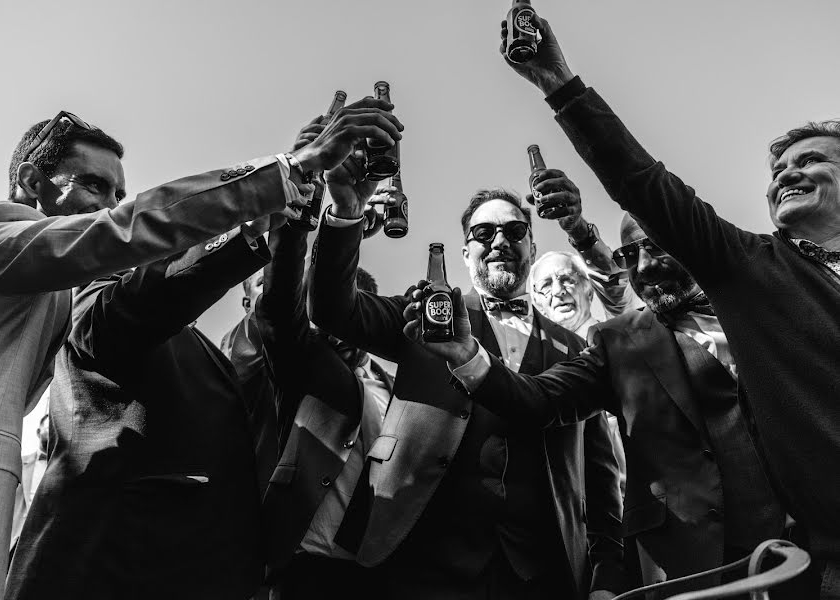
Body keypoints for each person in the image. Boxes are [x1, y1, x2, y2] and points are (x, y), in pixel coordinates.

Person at [0, 104, 351, 599]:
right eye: (94, 186)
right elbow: (123, 245)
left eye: (119, 194)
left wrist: (293, 210)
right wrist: (282, 174)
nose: (111, 204)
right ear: (32, 182)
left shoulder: (60, 302)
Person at [498, 12, 840, 596]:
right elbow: (645, 186)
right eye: (779, 167)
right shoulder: (756, 268)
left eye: (810, 161)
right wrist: (557, 80)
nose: (787, 173)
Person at [405, 211, 792, 596]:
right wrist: (468, 356)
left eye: (655, 247)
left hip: (812, 542)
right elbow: (538, 400)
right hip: (699, 570)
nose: (643, 265)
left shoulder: (767, 305)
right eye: (628, 256)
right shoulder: (618, 342)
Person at [309, 178, 625, 599]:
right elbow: (332, 309)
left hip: (543, 573)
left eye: (514, 231)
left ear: (531, 245)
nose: (499, 241)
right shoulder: (424, 314)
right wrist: (345, 214)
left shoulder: (576, 348)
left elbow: (599, 474)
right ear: (464, 252)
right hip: (421, 563)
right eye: (483, 233)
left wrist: (606, 578)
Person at [250, 220, 391, 599]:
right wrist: (296, 221)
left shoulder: (396, 387)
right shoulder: (302, 360)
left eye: (347, 317)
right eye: (323, 317)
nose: (335, 331)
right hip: (306, 567)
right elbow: (279, 305)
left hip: (382, 572)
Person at [528, 172, 640, 340]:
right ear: (538, 303)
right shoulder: (538, 360)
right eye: (545, 286)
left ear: (589, 290)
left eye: (567, 279)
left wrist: (578, 230)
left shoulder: (618, 334)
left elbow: (613, 286)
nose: (558, 291)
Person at [10, 414, 50, 554]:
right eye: (50, 427)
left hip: (43, 544)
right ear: (38, 432)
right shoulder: (18, 463)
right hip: (14, 540)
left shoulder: (66, 471)